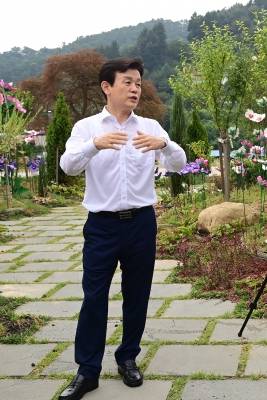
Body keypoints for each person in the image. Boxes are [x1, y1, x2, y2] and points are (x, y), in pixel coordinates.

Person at [58, 58, 186, 400]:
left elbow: (179, 162)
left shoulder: (150, 127)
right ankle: (87, 372)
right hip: (101, 226)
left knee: (137, 294)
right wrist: (94, 145)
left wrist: (165, 145)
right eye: (128, 82)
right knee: (94, 297)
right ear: (107, 86)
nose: (135, 88)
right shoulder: (86, 128)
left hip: (142, 223)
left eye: (138, 83)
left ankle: (128, 358)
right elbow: (68, 166)